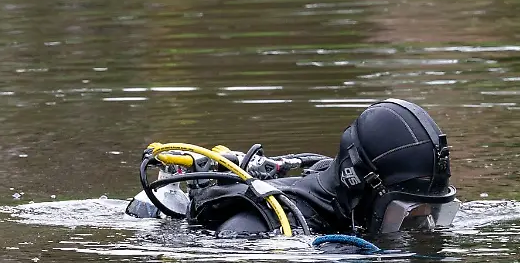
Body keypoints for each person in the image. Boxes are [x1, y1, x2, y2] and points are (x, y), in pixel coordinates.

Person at [127, 98, 458, 237]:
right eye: (410, 213)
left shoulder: (353, 206)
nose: (426, 226)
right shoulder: (263, 226)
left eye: (437, 211)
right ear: (359, 181)